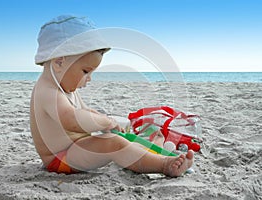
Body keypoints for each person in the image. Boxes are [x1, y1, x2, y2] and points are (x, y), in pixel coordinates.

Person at [30, 15, 193, 177]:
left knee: (118, 137)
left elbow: (85, 111)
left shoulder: (64, 86)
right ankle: (164, 165)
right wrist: (106, 122)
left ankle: (150, 149)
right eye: (85, 71)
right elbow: (72, 120)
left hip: (77, 147)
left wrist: (106, 121)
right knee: (111, 143)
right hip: (61, 158)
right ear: (59, 63)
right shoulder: (47, 91)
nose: (89, 78)